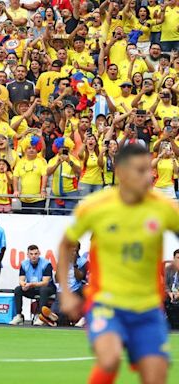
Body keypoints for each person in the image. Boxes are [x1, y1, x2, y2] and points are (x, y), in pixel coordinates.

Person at [58, 144, 179, 384]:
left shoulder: (163, 207)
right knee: (110, 358)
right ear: (121, 173)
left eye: (149, 170)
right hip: (106, 303)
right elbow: (65, 245)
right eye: (141, 170)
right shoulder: (96, 206)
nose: (150, 176)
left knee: (156, 375)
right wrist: (67, 295)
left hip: (147, 308)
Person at [39, 242, 88, 327]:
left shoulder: (83, 262)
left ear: (78, 250)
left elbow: (80, 278)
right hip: (62, 290)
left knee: (63, 312)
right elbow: (58, 279)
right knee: (57, 309)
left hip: (75, 289)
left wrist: (74, 264)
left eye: (74, 249)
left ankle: (53, 320)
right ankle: (52, 317)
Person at [10, 245, 56, 326]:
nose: (33, 256)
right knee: (18, 289)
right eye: (31, 254)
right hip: (32, 288)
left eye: (35, 254)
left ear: (39, 254)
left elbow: (45, 282)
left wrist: (31, 284)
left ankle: (40, 316)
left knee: (43, 289)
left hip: (48, 288)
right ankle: (19, 316)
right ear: (28, 255)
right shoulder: (24, 264)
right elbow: (21, 279)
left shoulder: (46, 264)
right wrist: (23, 285)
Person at [164, 249, 179, 329]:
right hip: (171, 298)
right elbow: (165, 285)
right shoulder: (168, 270)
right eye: (178, 258)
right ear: (174, 259)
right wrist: (170, 293)